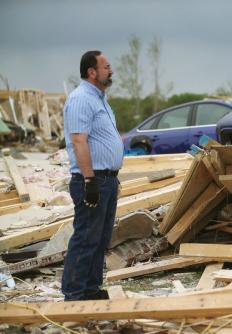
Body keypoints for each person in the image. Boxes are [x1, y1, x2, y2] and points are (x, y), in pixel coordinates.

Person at [61, 50, 124, 301]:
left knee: (100, 238)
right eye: (106, 66)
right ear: (91, 71)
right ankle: (74, 294)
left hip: (108, 179)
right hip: (93, 179)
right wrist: (89, 181)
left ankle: (90, 289)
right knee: (86, 236)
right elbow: (79, 141)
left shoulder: (101, 99)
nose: (111, 70)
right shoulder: (81, 99)